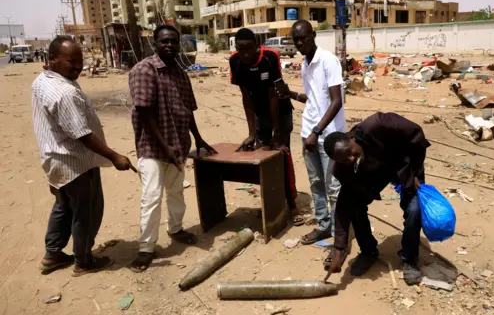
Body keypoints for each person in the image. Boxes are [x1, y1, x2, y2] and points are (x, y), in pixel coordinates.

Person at [31, 36, 136, 276]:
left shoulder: (42, 80)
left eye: (80, 60)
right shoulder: (65, 92)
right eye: (71, 61)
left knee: (64, 206)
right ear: (53, 60)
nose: (78, 66)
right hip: (74, 162)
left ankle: (52, 254)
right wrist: (114, 156)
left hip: (53, 157)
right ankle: (84, 260)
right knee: (87, 211)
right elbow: (83, 136)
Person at [128, 24, 216, 272]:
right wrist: (165, 146)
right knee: (151, 198)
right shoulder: (144, 70)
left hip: (177, 145)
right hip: (153, 149)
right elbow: (144, 112)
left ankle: (175, 229)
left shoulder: (180, 72)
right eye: (164, 41)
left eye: (173, 42)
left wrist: (198, 138)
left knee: (176, 192)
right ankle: (146, 248)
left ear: (179, 44)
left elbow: (188, 110)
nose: (169, 46)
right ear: (155, 43)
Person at [322, 112, 430, 285]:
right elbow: (343, 207)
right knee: (355, 207)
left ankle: (410, 259)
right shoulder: (344, 168)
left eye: (350, 153)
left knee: (414, 209)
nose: (350, 159)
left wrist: (415, 172)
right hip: (376, 174)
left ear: (351, 138)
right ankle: (368, 252)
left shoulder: (377, 125)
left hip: (404, 166)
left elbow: (417, 134)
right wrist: (339, 249)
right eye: (344, 160)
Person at [276, 20, 346, 245]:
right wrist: (291, 95)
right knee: (316, 183)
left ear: (313, 35)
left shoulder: (328, 61)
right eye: (295, 39)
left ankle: (338, 235)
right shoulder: (305, 64)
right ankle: (324, 226)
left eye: (303, 38)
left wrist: (317, 131)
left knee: (333, 188)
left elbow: (336, 102)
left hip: (329, 136)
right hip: (309, 134)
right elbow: (314, 99)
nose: (299, 43)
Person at [229, 28, 299, 215]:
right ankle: (270, 203)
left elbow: (274, 96)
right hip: (260, 113)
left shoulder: (270, 56)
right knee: (262, 158)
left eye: (249, 48)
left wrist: (277, 134)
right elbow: (246, 98)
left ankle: (291, 202)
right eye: (240, 49)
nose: (245, 53)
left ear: (256, 45)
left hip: (280, 112)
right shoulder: (234, 60)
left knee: (282, 154)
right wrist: (252, 133)